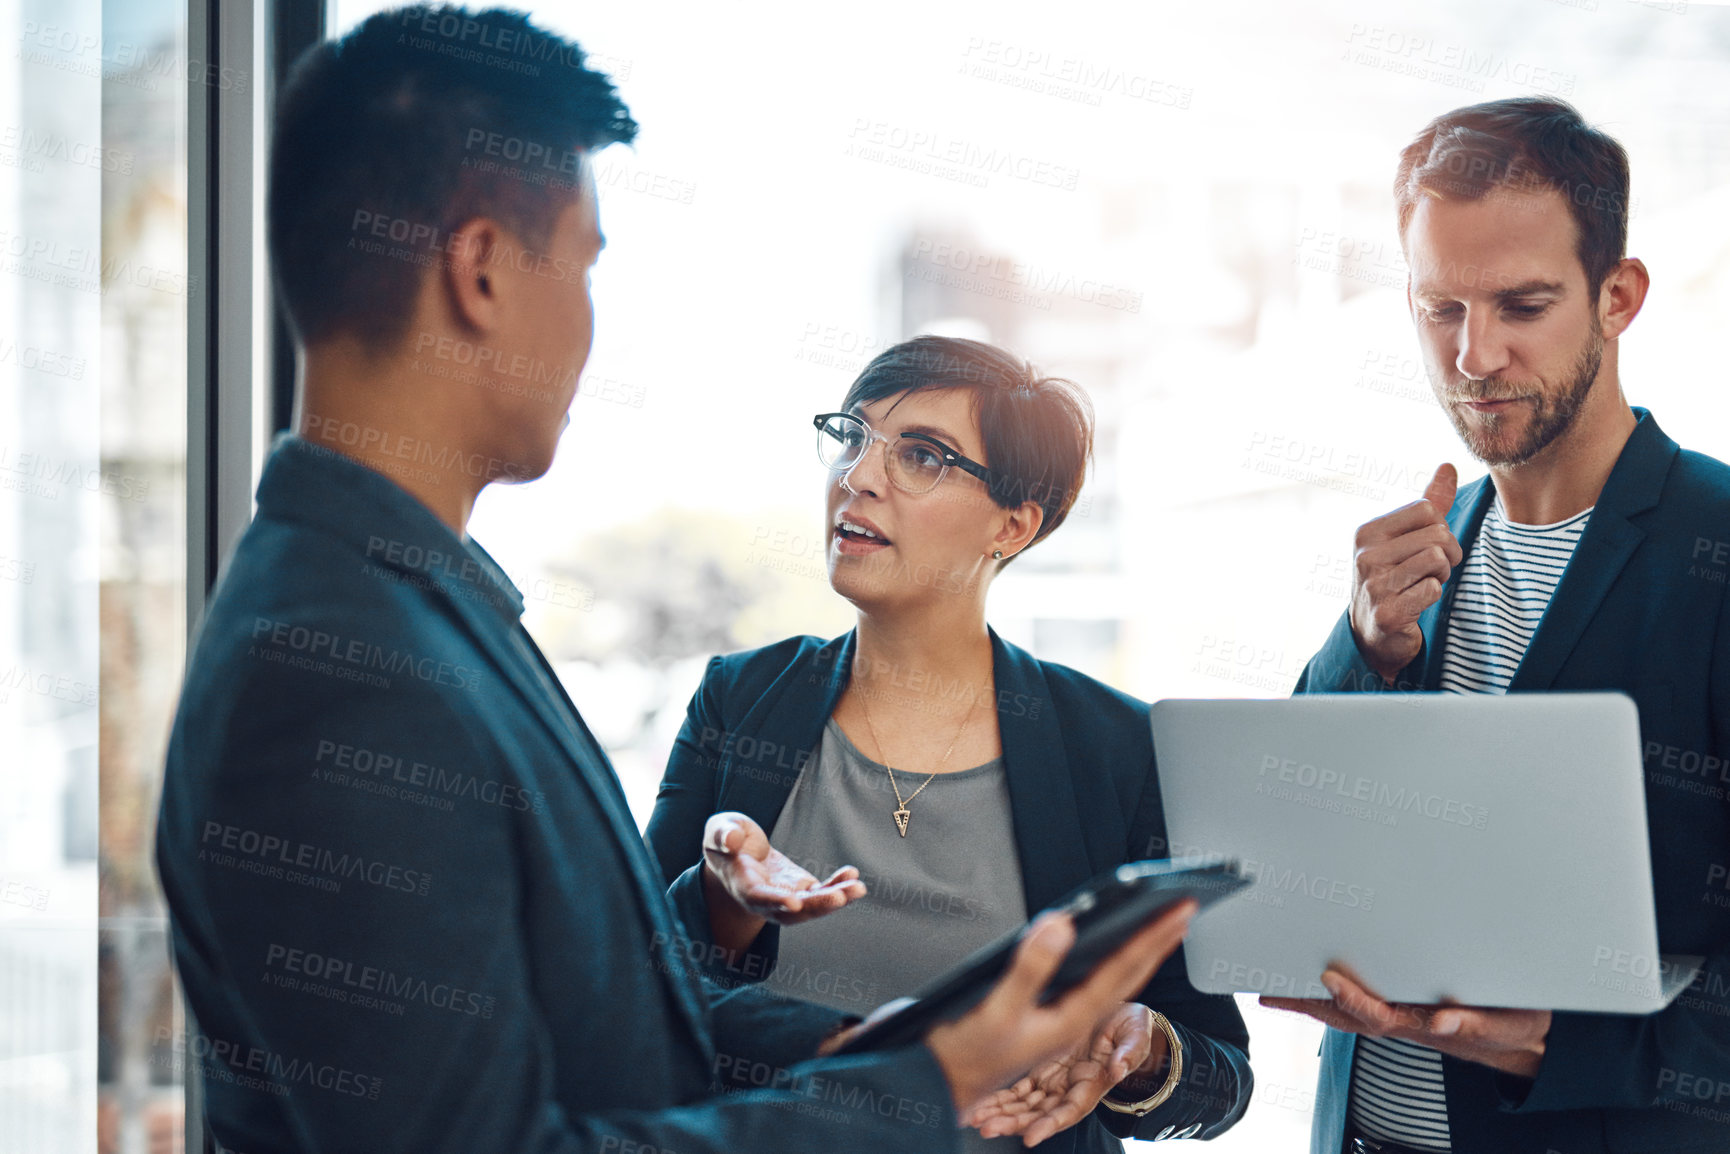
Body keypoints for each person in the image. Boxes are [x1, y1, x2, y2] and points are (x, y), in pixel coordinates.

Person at [152, 9, 1200, 1153]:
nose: (590, 325)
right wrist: (926, 1084)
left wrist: (862, 1051)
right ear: (484, 268)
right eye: (586, 263)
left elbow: (597, 1012)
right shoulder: (339, 669)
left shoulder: (422, 608)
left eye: (924, 455)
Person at [645, 336, 1254, 1151]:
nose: (859, 477)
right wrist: (726, 915)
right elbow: (628, 983)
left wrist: (1143, 1051)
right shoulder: (742, 698)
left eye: (923, 457)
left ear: (1014, 522)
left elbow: (1223, 1074)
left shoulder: (1115, 745)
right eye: (853, 438)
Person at [1262, 97, 1730, 1154]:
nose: (1473, 357)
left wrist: (1542, 1039)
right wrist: (1360, 651)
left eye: (1520, 305)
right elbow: (1292, 843)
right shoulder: (1413, 560)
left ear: (1617, 296)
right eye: (1440, 310)